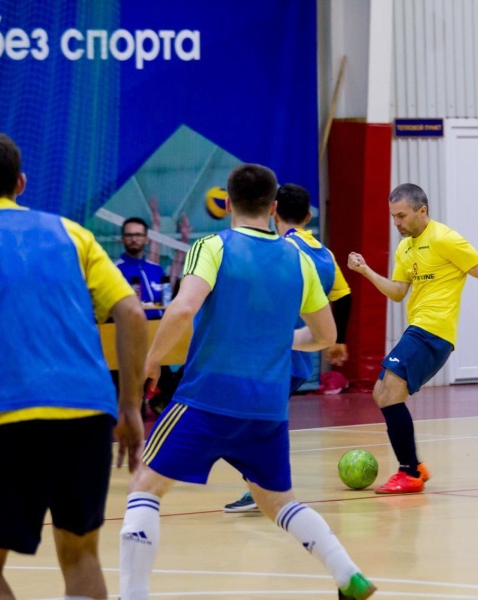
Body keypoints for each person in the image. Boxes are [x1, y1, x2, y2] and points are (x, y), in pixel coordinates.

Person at [119, 164, 376, 600]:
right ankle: (348, 574)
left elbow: (184, 308)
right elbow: (325, 336)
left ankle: (132, 595)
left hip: (207, 398)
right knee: (279, 502)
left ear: (227, 204)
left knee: (145, 485)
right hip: (267, 407)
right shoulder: (299, 259)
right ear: (273, 208)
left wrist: (152, 359)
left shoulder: (213, 246)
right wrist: (281, 337)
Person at [0, 130, 148, 600]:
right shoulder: (71, 232)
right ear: (20, 183)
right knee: (81, 555)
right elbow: (130, 312)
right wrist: (130, 407)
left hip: (13, 414)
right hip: (91, 412)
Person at [348, 183, 478, 494]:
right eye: (393, 216)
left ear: (422, 211)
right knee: (380, 392)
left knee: (389, 393)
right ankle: (415, 465)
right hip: (418, 329)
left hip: (434, 330)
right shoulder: (405, 248)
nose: (397, 222)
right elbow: (398, 293)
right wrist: (366, 272)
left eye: (402, 216)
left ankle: (409, 472)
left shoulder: (445, 238)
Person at [223, 182, 353, 513]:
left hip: (271, 355)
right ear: (308, 216)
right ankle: (265, 487)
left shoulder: (281, 250)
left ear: (274, 211)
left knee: (248, 423)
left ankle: (264, 490)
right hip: (301, 358)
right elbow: (344, 295)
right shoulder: (325, 254)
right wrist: (338, 339)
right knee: (261, 421)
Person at [115, 214, 166, 319]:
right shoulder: (113, 270)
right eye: (129, 235)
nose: (134, 239)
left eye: (138, 235)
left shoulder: (157, 270)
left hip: (160, 326)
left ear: (146, 239)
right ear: (122, 239)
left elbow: (167, 302)